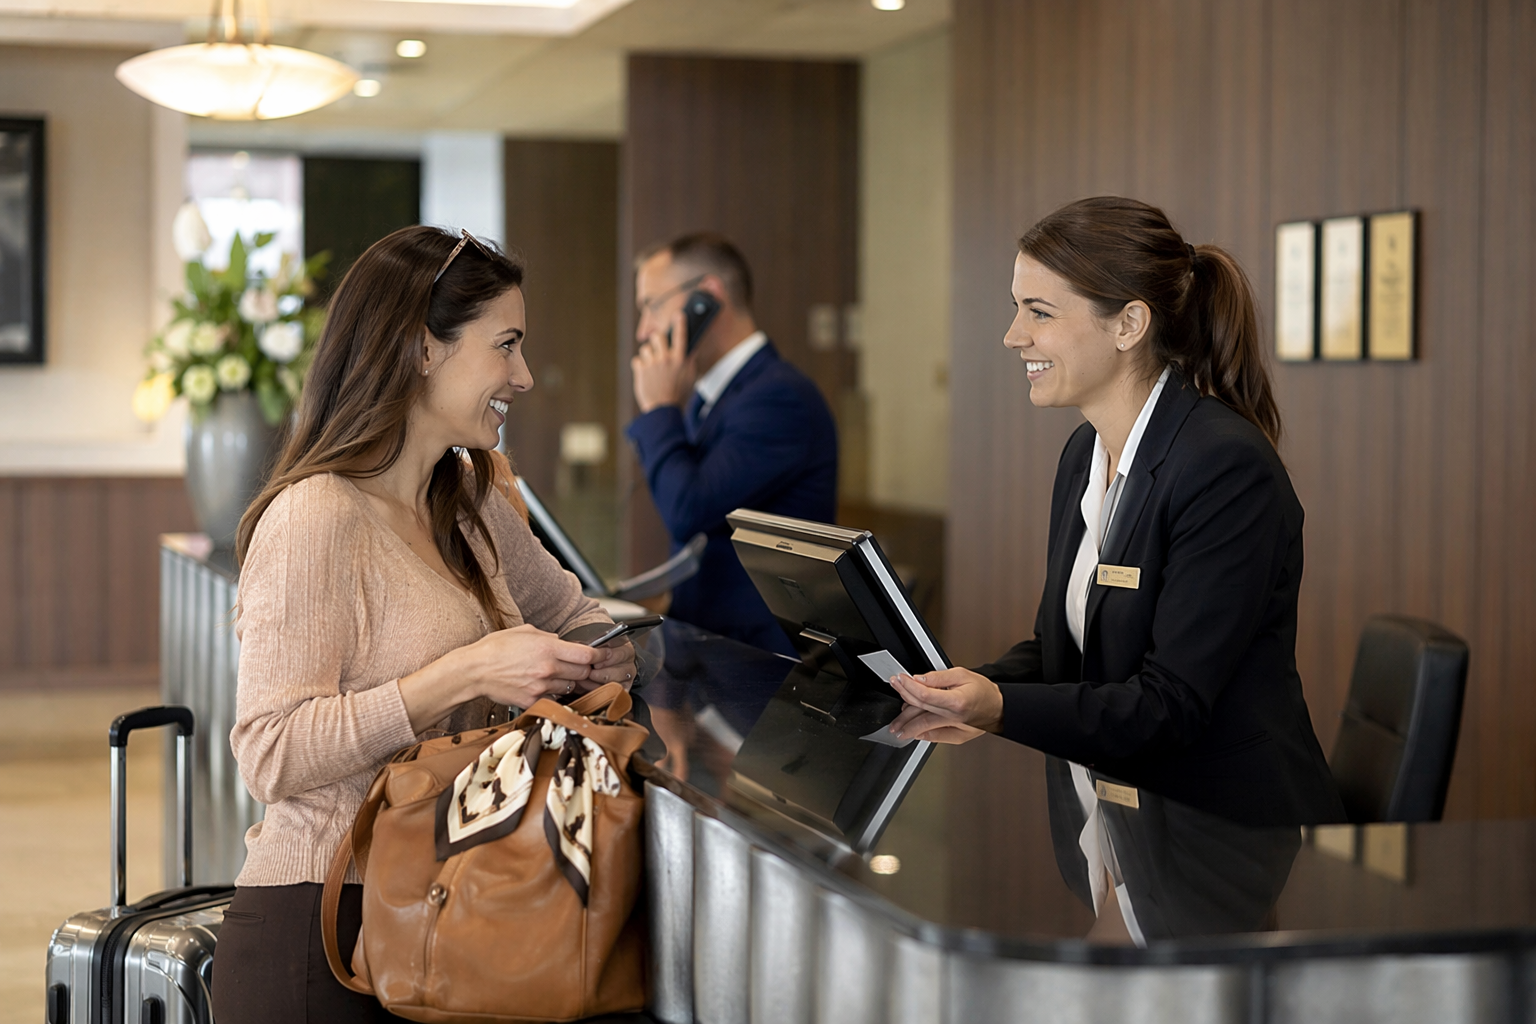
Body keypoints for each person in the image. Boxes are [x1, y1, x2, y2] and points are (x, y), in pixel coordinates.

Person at [212, 225, 636, 1023]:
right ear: (421, 349)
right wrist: (468, 674)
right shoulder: (314, 517)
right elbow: (268, 753)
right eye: (505, 346)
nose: (525, 375)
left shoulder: (470, 500)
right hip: (324, 931)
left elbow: (589, 627)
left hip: (452, 909)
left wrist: (590, 665)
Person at [888, 197, 1345, 827]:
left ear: (1129, 324)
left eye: (1039, 312)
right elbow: (1062, 652)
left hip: (1225, 836)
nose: (1013, 335)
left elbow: (1170, 704)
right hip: (1121, 811)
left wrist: (997, 708)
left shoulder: (1223, 467)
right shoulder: (1086, 451)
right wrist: (959, 691)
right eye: (1017, 309)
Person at [626, 232, 837, 655]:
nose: (643, 330)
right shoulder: (713, 398)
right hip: (713, 646)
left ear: (706, 296)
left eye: (651, 305)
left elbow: (689, 510)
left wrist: (658, 409)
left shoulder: (778, 398)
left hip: (761, 661)